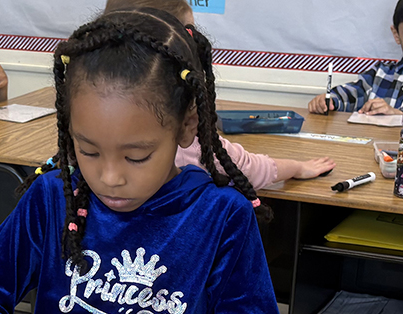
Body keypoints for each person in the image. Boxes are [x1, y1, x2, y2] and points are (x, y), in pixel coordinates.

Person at [0, 9, 282, 314]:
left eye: (137, 156)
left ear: (187, 125)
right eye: (88, 151)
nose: (110, 177)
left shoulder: (221, 216)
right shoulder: (53, 199)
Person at [105, 0, 335, 188]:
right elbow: (245, 168)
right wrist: (297, 167)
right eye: (189, 34)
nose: (109, 179)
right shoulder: (182, 142)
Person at [308, 0, 403, 115]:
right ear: (397, 35)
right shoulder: (380, 73)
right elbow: (353, 93)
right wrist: (330, 100)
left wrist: (398, 115)